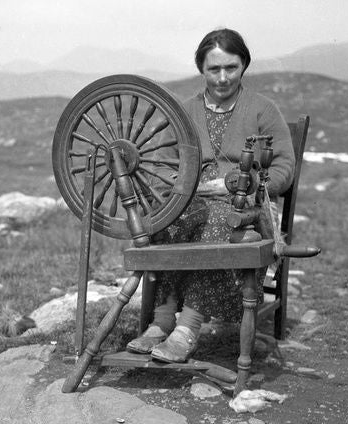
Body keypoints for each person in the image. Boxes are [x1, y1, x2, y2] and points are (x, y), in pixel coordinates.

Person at [126, 28, 295, 363]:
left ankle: (187, 329)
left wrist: (248, 186)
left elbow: (284, 166)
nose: (222, 77)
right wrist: (181, 185)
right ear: (201, 69)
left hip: (244, 208)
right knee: (163, 222)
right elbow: (163, 162)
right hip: (191, 199)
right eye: (213, 69)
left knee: (220, 222)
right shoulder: (184, 111)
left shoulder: (263, 110)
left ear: (244, 65)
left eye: (230, 68)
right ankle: (161, 322)